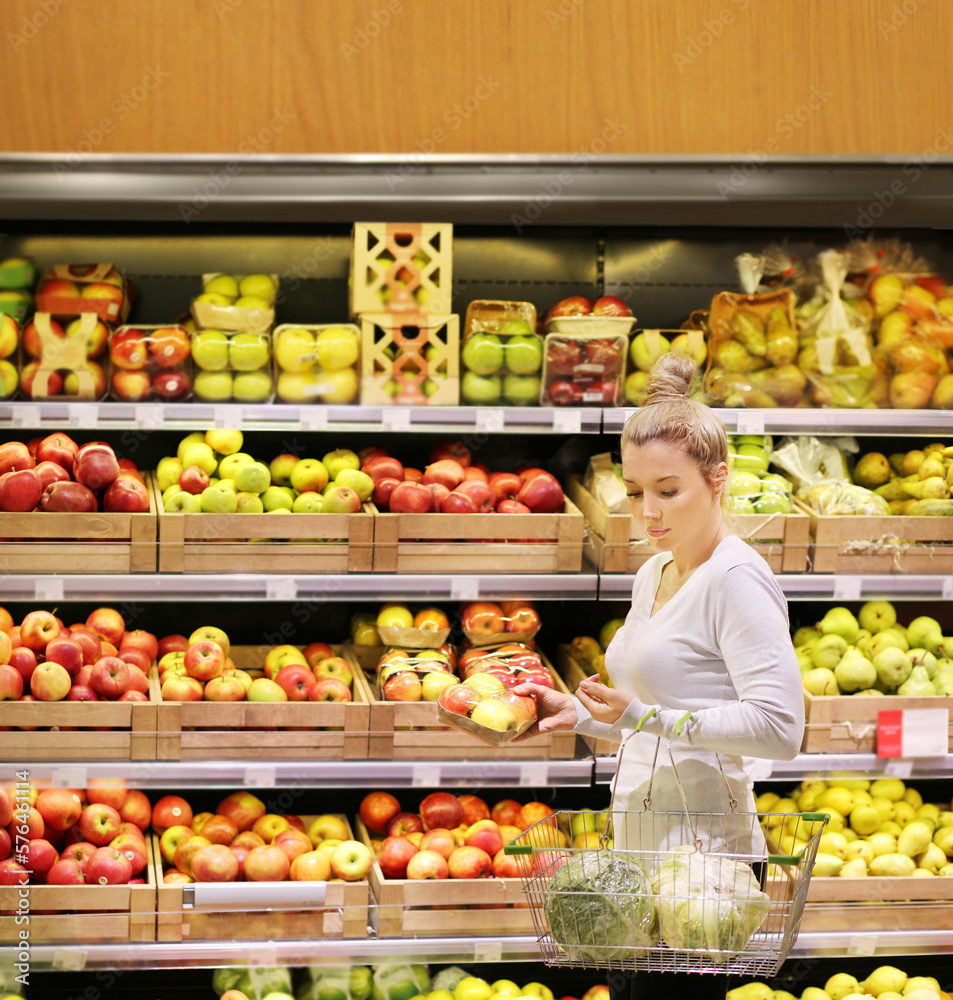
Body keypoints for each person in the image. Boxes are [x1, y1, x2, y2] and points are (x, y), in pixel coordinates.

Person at [513, 353, 804, 1000]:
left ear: (718, 479)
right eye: (635, 490)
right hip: (643, 859)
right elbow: (655, 710)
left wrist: (641, 718)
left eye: (668, 491)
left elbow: (780, 728)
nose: (648, 512)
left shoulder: (736, 580)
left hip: (705, 872)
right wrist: (582, 715)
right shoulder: (656, 570)